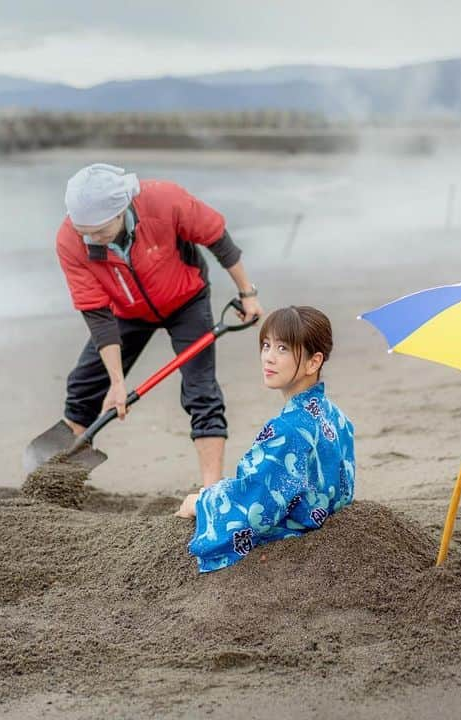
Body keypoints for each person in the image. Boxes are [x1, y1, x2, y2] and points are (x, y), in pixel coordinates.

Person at [56, 163, 263, 488]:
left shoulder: (164, 200)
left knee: (201, 392)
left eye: (98, 230)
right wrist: (117, 382)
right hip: (125, 310)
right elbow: (96, 313)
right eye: (83, 230)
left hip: (186, 300)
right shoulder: (71, 241)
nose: (90, 238)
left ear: (121, 208)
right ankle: (62, 474)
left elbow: (217, 239)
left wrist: (247, 293)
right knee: (83, 386)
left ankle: (211, 488)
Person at [175, 306, 356, 573]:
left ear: (313, 362)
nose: (268, 358)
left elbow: (254, 507)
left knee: (197, 505)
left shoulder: (288, 430)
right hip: (325, 518)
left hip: (296, 535)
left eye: (283, 348)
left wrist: (200, 504)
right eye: (266, 345)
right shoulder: (336, 414)